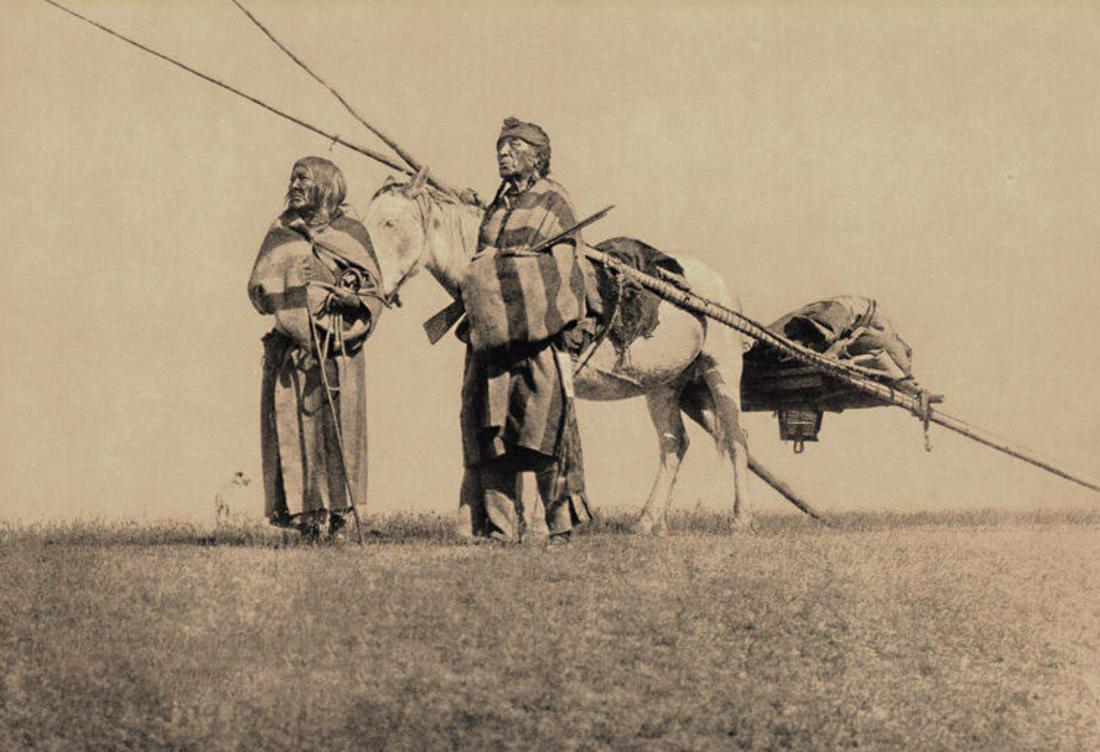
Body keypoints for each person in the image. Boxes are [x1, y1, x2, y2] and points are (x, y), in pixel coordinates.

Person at [458, 117, 592, 544]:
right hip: (494, 346)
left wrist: (509, 271)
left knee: (545, 432)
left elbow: (566, 271)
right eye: (500, 147)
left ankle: (560, 529)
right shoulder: (496, 209)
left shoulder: (555, 203)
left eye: (513, 147)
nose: (502, 153)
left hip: (539, 340)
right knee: (491, 435)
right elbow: (480, 271)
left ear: (537, 156)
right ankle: (500, 530)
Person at [247, 157, 383, 542]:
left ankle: (339, 518)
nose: (294, 184)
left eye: (303, 178)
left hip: (339, 351)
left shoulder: (352, 231)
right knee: (294, 433)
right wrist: (292, 279)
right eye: (292, 177)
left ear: (326, 184)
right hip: (292, 353)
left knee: (340, 431)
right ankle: (306, 519)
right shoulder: (281, 231)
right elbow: (258, 290)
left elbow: (374, 291)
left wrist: (348, 298)